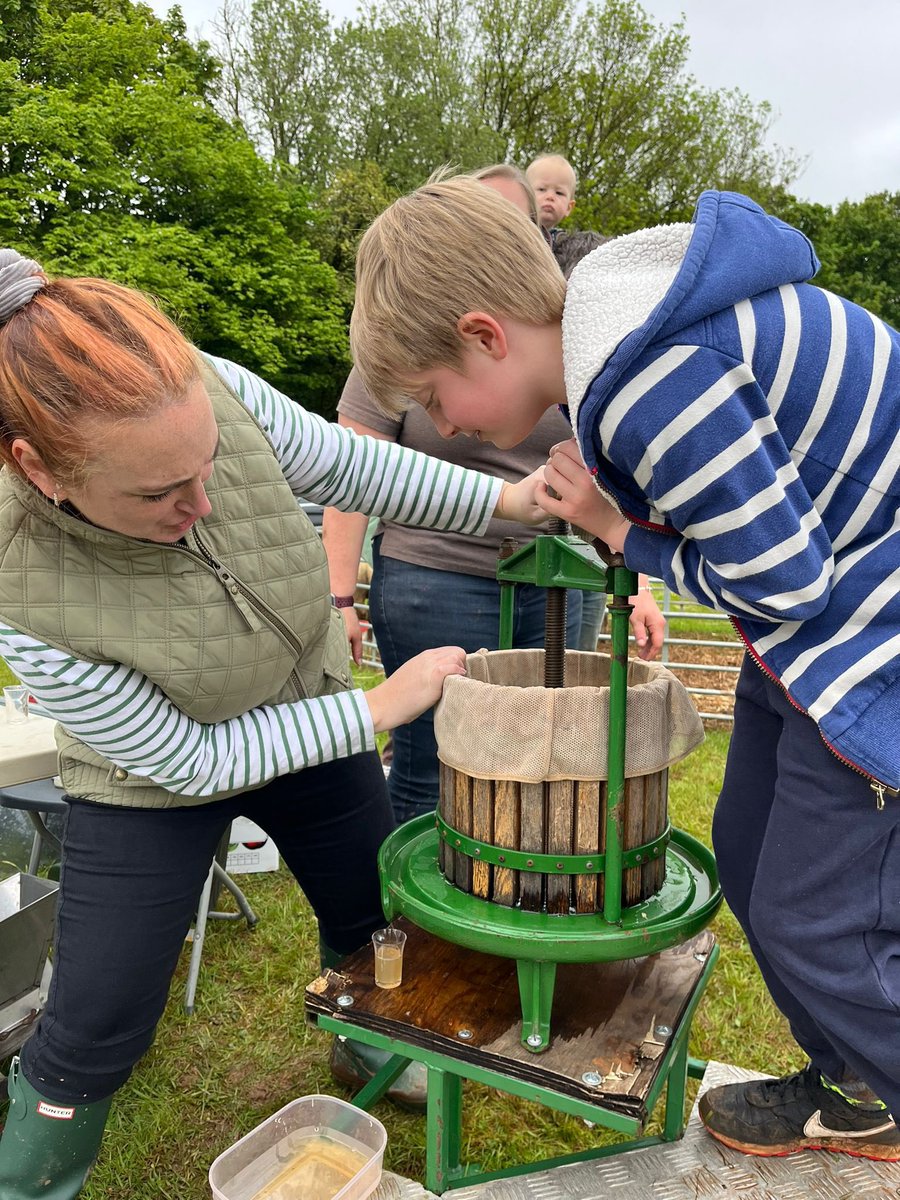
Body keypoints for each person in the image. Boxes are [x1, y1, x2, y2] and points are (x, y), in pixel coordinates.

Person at [348, 180, 900, 1162]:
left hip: (866, 646)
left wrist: (617, 531)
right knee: (742, 842)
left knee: (821, 924)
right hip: (816, 639)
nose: (452, 424)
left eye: (437, 398)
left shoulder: (648, 378)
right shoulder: (623, 323)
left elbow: (785, 580)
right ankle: (853, 1087)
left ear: (484, 334)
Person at [0, 249, 546, 1198]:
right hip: (151, 780)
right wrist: (376, 708)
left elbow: (348, 463)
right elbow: (188, 760)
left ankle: (361, 1048)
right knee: (98, 1010)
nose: (202, 504)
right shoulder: (14, 577)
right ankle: (34, 1176)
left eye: (206, 464)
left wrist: (511, 502)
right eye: (157, 492)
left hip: (307, 707)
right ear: (37, 468)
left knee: (375, 915)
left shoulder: (206, 381)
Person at [323, 166, 662, 825]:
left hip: (564, 574)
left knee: (547, 751)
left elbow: (615, 483)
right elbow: (349, 471)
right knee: (436, 760)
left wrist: (638, 579)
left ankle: (514, 897)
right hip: (438, 572)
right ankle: (416, 929)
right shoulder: (408, 333)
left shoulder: (584, 356)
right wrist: (339, 594)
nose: (446, 424)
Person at [525, 153, 577, 246]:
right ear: (525, 196)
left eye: (559, 193)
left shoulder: (567, 248)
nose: (550, 197)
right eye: (542, 189)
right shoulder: (513, 232)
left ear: (569, 208)